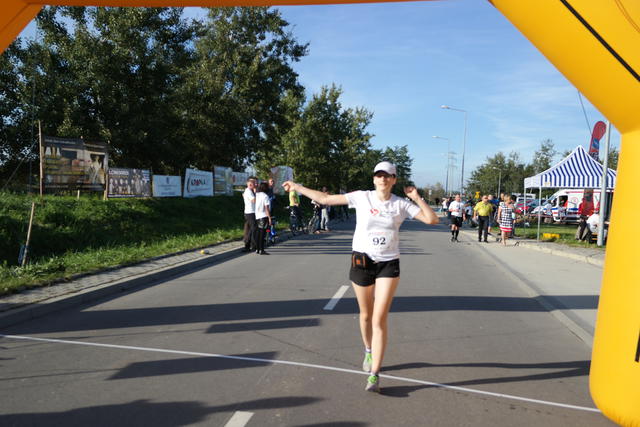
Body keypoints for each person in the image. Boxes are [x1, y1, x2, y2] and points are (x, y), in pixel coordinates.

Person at [282, 161, 439, 393]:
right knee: (366, 315)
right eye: (379, 175)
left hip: (388, 263)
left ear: (394, 180)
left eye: (387, 175)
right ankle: (368, 350)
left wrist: (416, 197)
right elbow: (325, 199)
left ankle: (375, 375)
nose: (383, 179)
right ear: (374, 178)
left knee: (379, 318)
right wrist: (297, 187)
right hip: (362, 262)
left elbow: (432, 220)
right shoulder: (361, 197)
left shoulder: (400, 204)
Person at [254, 182, 272, 255]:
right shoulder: (265, 196)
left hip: (257, 216)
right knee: (262, 234)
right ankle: (262, 250)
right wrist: (269, 218)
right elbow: (266, 208)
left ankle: (257, 249)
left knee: (258, 233)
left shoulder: (257, 195)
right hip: (263, 216)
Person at [241, 177, 257, 252]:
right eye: (254, 183)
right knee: (253, 229)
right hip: (250, 212)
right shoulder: (249, 191)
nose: (255, 185)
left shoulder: (249, 191)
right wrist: (257, 194)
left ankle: (248, 245)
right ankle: (252, 245)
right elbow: (254, 200)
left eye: (254, 183)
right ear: (249, 184)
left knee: (250, 229)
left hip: (250, 212)